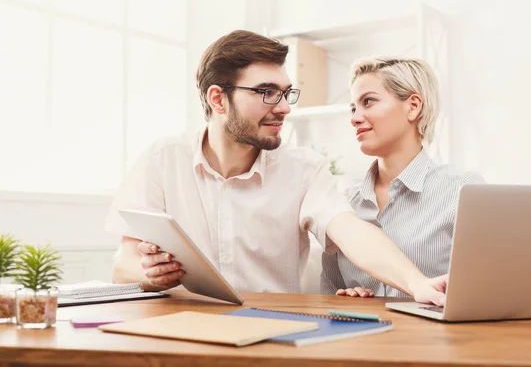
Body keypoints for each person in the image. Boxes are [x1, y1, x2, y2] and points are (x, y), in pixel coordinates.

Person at [106, 30, 448, 306]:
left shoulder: (304, 169)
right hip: (184, 332)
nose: (284, 108)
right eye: (266, 93)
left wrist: (416, 283)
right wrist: (151, 272)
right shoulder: (162, 159)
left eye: (286, 93)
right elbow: (123, 264)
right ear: (217, 99)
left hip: (270, 335)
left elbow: (351, 232)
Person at [321, 58, 484, 298]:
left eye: (368, 101)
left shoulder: (462, 191)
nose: (354, 118)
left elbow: (484, 290)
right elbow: (328, 294)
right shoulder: (343, 206)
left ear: (413, 106)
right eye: (353, 108)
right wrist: (348, 299)